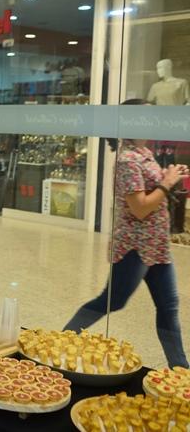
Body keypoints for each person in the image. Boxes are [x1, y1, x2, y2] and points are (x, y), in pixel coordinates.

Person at [64, 98, 189, 368]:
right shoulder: (127, 160)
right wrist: (167, 183)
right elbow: (140, 207)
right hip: (135, 247)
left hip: (156, 246)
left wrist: (168, 176)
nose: (152, 122)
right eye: (146, 117)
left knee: (169, 306)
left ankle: (181, 370)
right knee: (112, 301)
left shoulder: (144, 153)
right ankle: (62, 339)